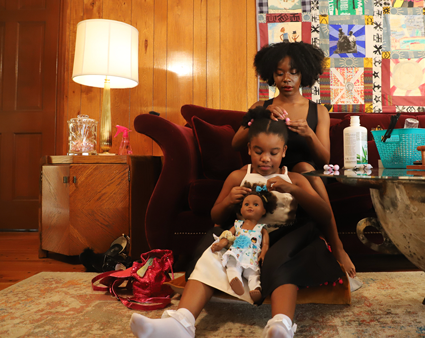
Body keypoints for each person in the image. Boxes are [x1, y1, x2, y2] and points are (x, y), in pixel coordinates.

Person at [129, 108, 352, 338]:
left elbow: (324, 214)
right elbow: (216, 217)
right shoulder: (238, 176)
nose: (266, 158)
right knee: (213, 254)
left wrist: (292, 189)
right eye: (258, 151)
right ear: (248, 149)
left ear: (284, 151)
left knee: (285, 263)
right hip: (243, 237)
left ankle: (281, 325)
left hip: (283, 238)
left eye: (274, 152)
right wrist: (228, 201)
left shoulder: (294, 178)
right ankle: (181, 322)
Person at [232, 42, 355, 278]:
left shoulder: (318, 111)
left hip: (305, 175)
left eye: (294, 72)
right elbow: (236, 143)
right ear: (272, 75)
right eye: (280, 73)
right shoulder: (261, 106)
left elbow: (324, 159)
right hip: (270, 172)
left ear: (304, 74)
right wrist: (260, 117)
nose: (287, 78)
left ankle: (337, 247)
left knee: (304, 167)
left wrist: (309, 133)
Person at [210, 186, 275, 303]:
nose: (250, 206)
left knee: (253, 274)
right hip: (236, 253)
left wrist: (264, 254)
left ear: (263, 211)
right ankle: (235, 281)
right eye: (246, 204)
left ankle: (256, 289)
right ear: (241, 210)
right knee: (232, 266)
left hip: (252, 257)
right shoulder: (237, 225)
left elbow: (265, 244)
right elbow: (228, 236)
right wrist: (221, 244)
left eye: (255, 205)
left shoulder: (261, 229)